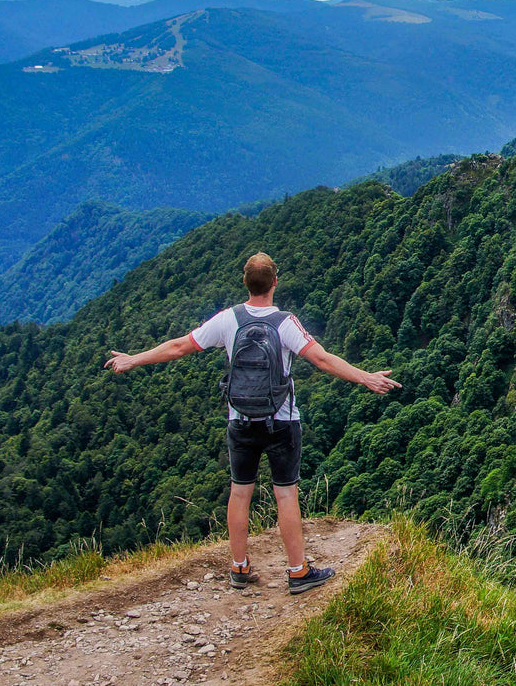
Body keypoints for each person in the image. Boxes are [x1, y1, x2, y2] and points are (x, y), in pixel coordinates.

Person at [104, 252, 400, 594]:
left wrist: (133, 359)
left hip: (240, 419)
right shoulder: (285, 323)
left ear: (245, 283)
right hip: (282, 421)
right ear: (275, 283)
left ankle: (239, 567)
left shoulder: (228, 320)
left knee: (240, 491)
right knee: (286, 494)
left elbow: (179, 346)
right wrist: (366, 378)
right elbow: (321, 358)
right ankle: (298, 571)